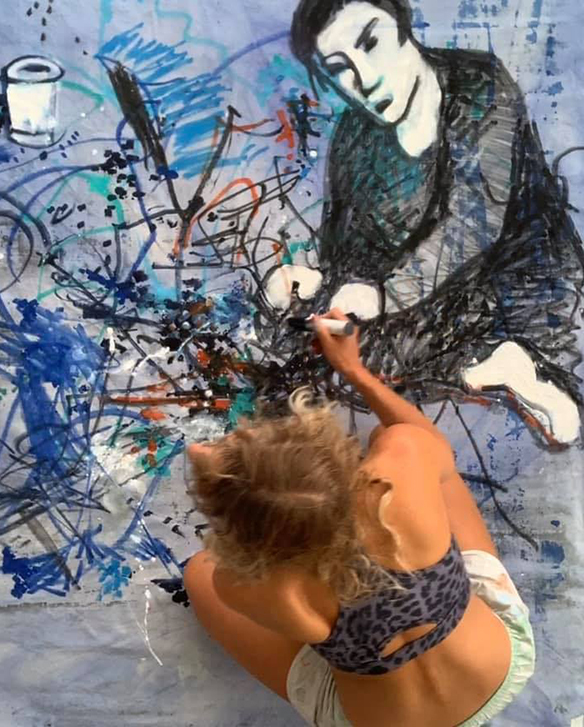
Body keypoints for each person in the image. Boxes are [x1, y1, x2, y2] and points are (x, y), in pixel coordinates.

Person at [183, 311, 535, 726]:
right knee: (402, 437)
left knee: (199, 572)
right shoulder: (400, 474)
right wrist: (353, 368)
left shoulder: (265, 589)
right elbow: (423, 439)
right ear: (330, 450)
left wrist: (225, 484)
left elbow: (244, 565)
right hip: (497, 670)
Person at [279, 0, 584, 445]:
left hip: (522, 291)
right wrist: (317, 286)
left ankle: (520, 364)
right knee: (319, 343)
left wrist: (381, 294)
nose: (365, 78)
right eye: (340, 68)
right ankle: (486, 366)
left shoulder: (480, 84)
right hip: (430, 313)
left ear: (404, 26)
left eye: (371, 42)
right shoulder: (354, 138)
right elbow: (348, 252)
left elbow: (474, 222)